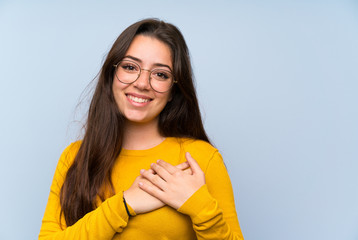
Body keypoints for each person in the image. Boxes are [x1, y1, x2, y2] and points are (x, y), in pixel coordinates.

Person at [39, 18, 244, 240]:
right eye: (130, 67)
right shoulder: (75, 157)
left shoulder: (201, 159)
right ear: (111, 75)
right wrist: (124, 204)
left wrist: (199, 205)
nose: (142, 83)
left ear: (174, 90)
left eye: (160, 74)